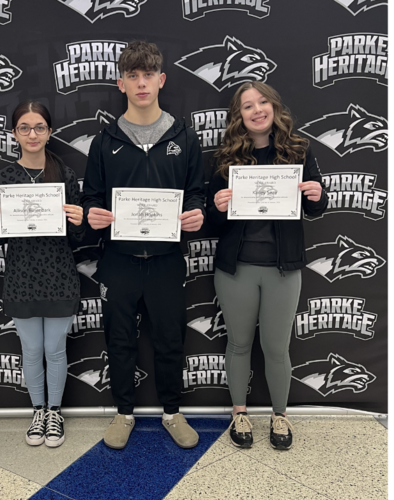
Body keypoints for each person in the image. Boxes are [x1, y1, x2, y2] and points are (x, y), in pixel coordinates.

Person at [82, 40, 206, 450]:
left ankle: (172, 411)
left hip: (168, 258)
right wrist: (93, 215)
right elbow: (92, 198)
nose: (141, 83)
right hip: (119, 259)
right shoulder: (105, 140)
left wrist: (196, 212)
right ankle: (124, 412)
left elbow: (196, 193)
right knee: (119, 339)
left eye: (148, 74)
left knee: (170, 338)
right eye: (132, 75)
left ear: (161, 79)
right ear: (121, 83)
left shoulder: (184, 136)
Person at [207, 81, 327, 450]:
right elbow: (211, 224)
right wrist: (218, 206)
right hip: (237, 268)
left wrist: (318, 194)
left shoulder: (299, 151)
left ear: (274, 107)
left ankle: (280, 415)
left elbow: (315, 207)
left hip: (282, 269)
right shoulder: (227, 158)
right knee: (239, 344)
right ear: (238, 116)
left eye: (262, 102)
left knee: (276, 347)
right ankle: (239, 412)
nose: (257, 110)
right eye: (247, 106)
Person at [0, 101, 85, 448]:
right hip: (22, 277)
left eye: (39, 127)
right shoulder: (4, 179)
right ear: (14, 134)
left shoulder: (65, 175)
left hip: (59, 275)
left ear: (49, 132)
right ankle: (37, 410)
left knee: (54, 350)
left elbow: (79, 237)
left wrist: (79, 220)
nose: (32, 134)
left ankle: (54, 412)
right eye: (24, 127)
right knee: (31, 348)